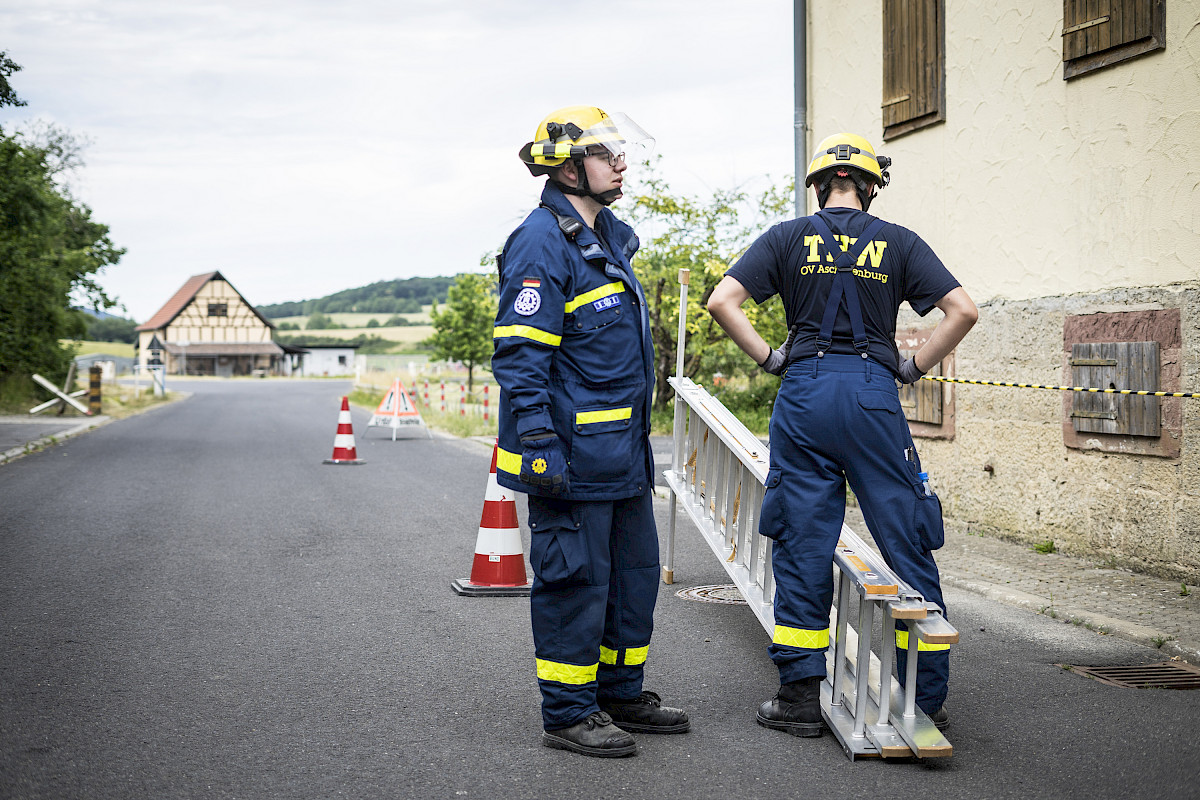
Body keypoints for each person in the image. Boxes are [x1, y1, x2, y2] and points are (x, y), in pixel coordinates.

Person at [707, 132, 978, 737]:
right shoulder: (900, 242)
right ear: (869, 184)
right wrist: (910, 367)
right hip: (872, 395)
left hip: (804, 394)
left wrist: (771, 359)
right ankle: (924, 700)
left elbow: (723, 301)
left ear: (819, 185)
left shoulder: (785, 238)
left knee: (804, 539)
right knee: (905, 536)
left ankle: (800, 696)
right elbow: (963, 310)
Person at [491, 105, 689, 758]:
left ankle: (620, 692)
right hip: (570, 461)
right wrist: (541, 449)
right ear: (570, 167)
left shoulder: (609, 241)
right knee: (575, 584)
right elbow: (522, 359)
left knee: (631, 582)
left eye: (621, 152)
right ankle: (570, 711)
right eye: (609, 154)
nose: (623, 163)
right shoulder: (541, 241)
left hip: (622, 458)